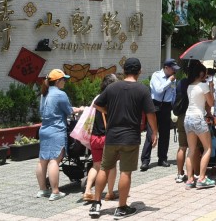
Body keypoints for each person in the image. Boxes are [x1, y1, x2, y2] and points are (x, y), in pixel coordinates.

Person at [89, 57, 157, 220]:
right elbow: (150, 113)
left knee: (104, 168)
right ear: (139, 71)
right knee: (126, 172)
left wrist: (109, 112)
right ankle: (121, 208)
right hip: (130, 138)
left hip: (111, 136)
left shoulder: (112, 88)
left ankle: (96, 204)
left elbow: (97, 104)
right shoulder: (142, 90)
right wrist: (154, 131)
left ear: (124, 70)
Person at [35, 69, 84, 201]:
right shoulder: (60, 94)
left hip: (44, 130)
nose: (65, 82)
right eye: (64, 80)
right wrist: (79, 109)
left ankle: (43, 190)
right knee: (54, 161)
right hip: (56, 130)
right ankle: (55, 191)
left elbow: (42, 111)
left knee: (42, 161)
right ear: (58, 81)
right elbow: (68, 111)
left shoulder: (44, 94)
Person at [83, 74, 118, 202]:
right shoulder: (112, 99)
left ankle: (87, 190)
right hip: (106, 138)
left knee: (96, 165)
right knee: (112, 165)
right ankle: (109, 193)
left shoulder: (97, 98)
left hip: (94, 137)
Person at [141, 58, 179, 170]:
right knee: (151, 132)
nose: (174, 72)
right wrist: (169, 81)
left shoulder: (173, 79)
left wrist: (173, 105)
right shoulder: (156, 75)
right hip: (155, 105)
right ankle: (145, 160)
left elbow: (173, 92)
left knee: (165, 133)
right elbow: (158, 90)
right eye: (173, 69)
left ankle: (162, 158)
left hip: (167, 106)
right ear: (166, 68)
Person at [184, 60, 216, 189]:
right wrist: (211, 89)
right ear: (202, 73)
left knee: (191, 150)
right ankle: (202, 178)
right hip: (198, 118)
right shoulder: (203, 86)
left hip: (188, 118)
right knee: (207, 148)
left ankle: (190, 179)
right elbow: (211, 103)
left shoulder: (189, 86)